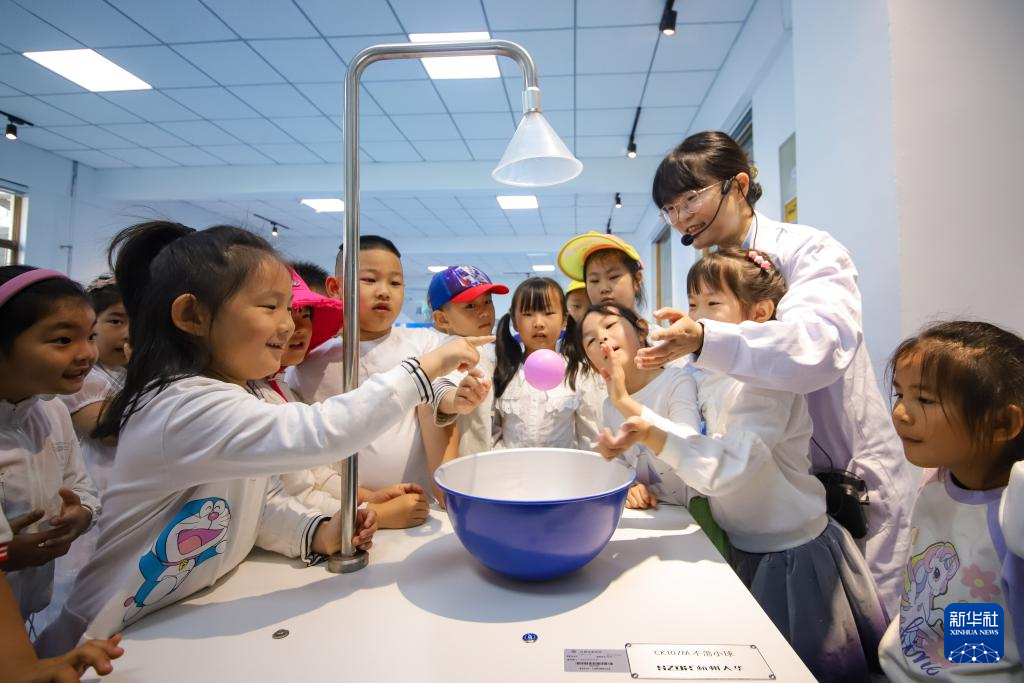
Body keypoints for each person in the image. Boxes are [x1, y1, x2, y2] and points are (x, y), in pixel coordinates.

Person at [35, 221, 485, 654]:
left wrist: (315, 532)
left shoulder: (241, 396)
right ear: (192, 315)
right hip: (97, 639)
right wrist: (426, 369)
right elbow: (320, 433)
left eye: (288, 308)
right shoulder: (180, 405)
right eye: (270, 307)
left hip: (169, 623)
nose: (289, 326)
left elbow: (256, 503)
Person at [639, 130, 917, 606]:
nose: (681, 217)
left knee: (872, 619)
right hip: (768, 493)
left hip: (841, 468)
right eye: (670, 208)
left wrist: (705, 339)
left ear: (739, 185)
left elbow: (818, 348)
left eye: (691, 198)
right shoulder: (717, 273)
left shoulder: (808, 250)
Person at [598, 248, 887, 680]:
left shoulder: (768, 382)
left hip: (795, 559)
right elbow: (695, 447)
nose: (697, 319)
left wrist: (642, 423)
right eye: (692, 305)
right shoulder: (705, 376)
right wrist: (637, 418)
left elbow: (726, 468)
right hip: (744, 548)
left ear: (759, 313)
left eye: (712, 304)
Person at [879, 321, 1024, 681]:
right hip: (906, 667)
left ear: (1002, 423)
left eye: (925, 399)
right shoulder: (937, 477)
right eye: (900, 394)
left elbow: (978, 628)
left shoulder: (1012, 514)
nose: (901, 413)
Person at [259, 270, 432, 529]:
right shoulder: (259, 394)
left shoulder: (280, 388)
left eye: (306, 315)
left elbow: (313, 471)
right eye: (284, 312)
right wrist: (372, 512)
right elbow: (283, 496)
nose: (293, 327)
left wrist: (364, 497)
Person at [287, 236, 453, 497]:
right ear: (335, 287)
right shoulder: (310, 364)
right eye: (369, 280)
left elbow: (441, 398)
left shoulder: (424, 343)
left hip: (419, 503)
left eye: (395, 283)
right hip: (343, 506)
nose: (384, 291)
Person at [0, 266, 101, 622]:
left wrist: (80, 516)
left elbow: (81, 486)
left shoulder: (52, 411)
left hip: (24, 613)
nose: (87, 353)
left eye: (91, 336)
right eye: (62, 340)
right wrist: (5, 555)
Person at [492, 277, 600, 450]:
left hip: (562, 466)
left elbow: (590, 436)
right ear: (514, 322)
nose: (538, 323)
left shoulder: (578, 372)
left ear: (564, 320)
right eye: (528, 314)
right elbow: (493, 432)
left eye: (548, 313)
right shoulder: (502, 370)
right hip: (512, 465)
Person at [428, 265, 507, 460]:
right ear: (442, 319)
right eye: (470, 306)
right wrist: (456, 400)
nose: (484, 312)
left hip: (484, 461)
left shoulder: (482, 347)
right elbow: (440, 385)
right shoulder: (452, 349)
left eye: (487, 301)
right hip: (466, 467)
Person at [60, 274, 128, 492]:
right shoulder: (84, 377)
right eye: (116, 321)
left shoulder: (125, 372)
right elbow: (106, 432)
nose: (128, 333)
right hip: (100, 484)